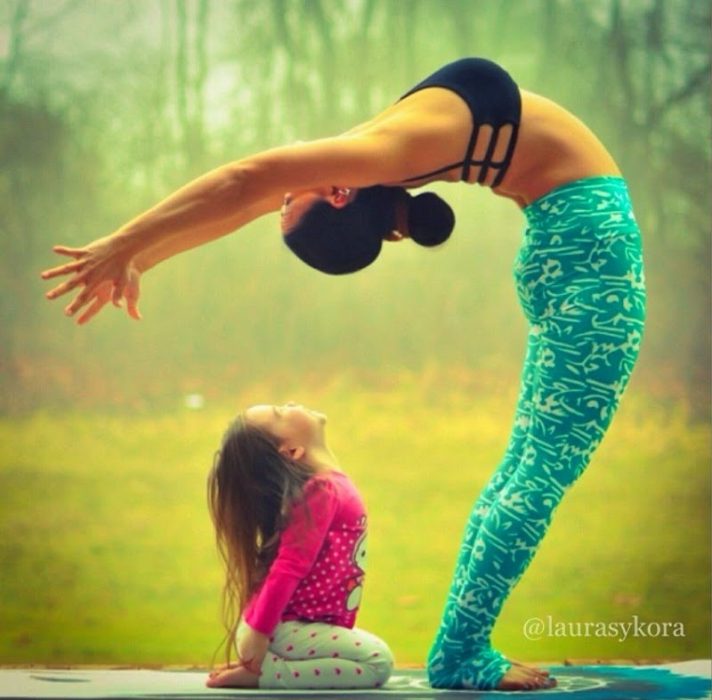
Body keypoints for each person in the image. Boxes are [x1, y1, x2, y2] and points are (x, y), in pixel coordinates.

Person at [41, 58, 646, 690]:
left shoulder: (379, 149)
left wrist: (139, 252)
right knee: (537, 475)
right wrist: (125, 246)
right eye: (289, 200)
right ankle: (463, 651)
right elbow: (246, 184)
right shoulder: (382, 151)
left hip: (570, 250)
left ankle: (462, 647)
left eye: (284, 204)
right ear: (337, 192)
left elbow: (242, 196)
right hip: (592, 256)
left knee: (526, 470)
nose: (278, 193)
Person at [205, 401, 393, 690]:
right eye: (280, 413)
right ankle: (268, 673)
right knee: (377, 661)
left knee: (372, 656)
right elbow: (288, 566)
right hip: (281, 629)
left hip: (289, 629)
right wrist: (260, 633)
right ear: (292, 451)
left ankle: (269, 666)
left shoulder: (328, 486)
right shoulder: (322, 490)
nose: (290, 403)